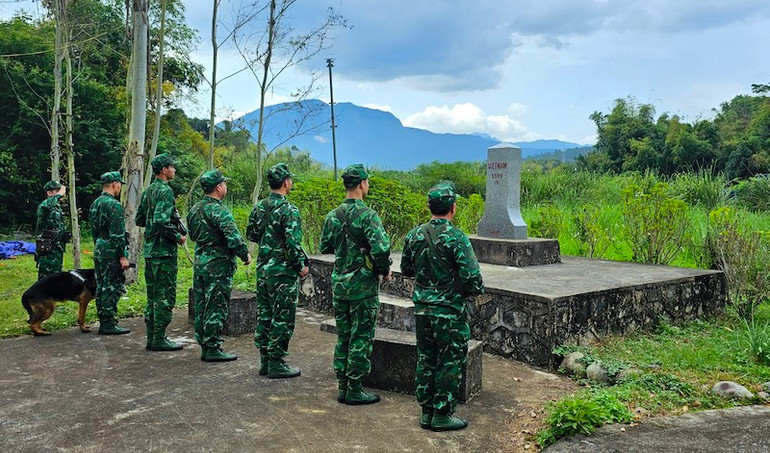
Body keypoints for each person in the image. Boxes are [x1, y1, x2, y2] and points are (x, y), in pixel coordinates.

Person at [400, 180, 485, 432]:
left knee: (426, 358)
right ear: (453, 208)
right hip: (448, 311)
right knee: (448, 360)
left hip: (423, 309)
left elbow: (406, 269)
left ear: (430, 207)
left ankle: (426, 411)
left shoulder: (414, 235)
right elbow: (473, 278)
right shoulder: (457, 239)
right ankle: (442, 414)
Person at [319, 164, 392, 405]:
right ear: (362, 184)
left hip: (340, 284)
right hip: (362, 287)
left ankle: (343, 385)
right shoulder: (368, 216)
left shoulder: (332, 216)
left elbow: (325, 247)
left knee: (344, 336)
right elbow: (381, 249)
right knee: (361, 336)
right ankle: (354, 388)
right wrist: (383, 269)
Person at [246, 163, 309, 378]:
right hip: (282, 271)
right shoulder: (289, 210)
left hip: (264, 269)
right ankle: (276, 362)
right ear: (286, 183)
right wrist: (299, 266)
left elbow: (252, 235)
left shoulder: (259, 207)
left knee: (265, 314)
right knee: (282, 316)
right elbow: (293, 244)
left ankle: (265, 359)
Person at [187, 169, 251, 362]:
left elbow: (192, 236)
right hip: (218, 265)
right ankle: (213, 347)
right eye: (224, 184)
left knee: (201, 304)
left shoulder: (194, 209)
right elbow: (233, 237)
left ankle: (205, 345)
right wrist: (244, 255)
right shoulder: (220, 211)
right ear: (218, 187)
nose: (225, 187)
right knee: (216, 305)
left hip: (200, 262)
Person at [136, 153, 186, 352]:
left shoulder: (149, 191)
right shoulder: (165, 191)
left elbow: (140, 219)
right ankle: (159, 338)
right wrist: (177, 237)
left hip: (150, 251)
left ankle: (152, 336)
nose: (174, 170)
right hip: (163, 252)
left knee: (152, 295)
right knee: (165, 296)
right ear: (164, 170)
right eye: (172, 167)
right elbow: (160, 220)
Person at [89, 171, 131, 335]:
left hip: (99, 247)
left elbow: (94, 230)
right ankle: (108, 323)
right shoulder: (114, 205)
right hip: (111, 250)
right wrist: (122, 256)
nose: (120, 187)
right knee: (111, 286)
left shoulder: (96, 204)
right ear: (114, 184)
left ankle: (104, 319)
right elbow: (117, 234)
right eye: (119, 184)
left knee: (101, 285)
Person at [35, 180, 68, 280]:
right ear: (49, 193)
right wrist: (58, 195)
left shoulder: (57, 207)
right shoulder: (45, 205)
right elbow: (47, 206)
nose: (60, 194)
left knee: (56, 276)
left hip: (57, 247)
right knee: (46, 278)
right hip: (47, 249)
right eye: (57, 191)